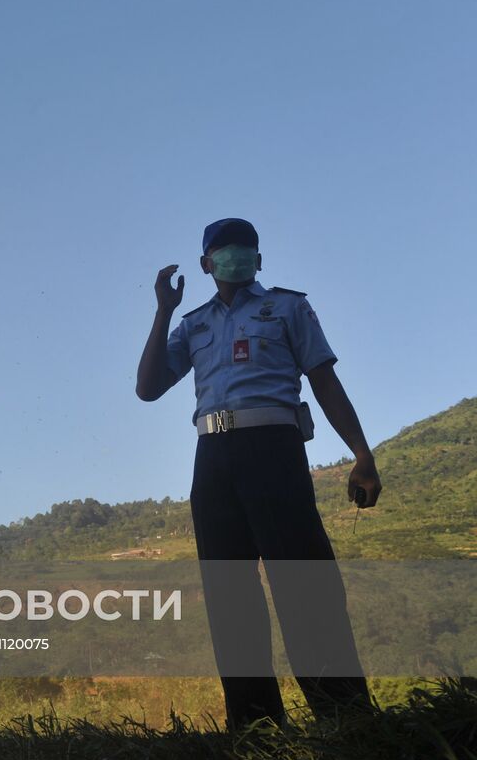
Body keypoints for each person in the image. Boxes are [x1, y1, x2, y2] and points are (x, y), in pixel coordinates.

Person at [136, 217, 380, 731]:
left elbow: (324, 381)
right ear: (206, 264)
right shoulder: (193, 323)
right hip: (212, 456)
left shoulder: (288, 307)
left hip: (273, 448)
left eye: (246, 248)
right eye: (224, 250)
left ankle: (347, 722)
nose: (236, 256)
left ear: (259, 259)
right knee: (229, 593)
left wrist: (362, 453)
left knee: (304, 583)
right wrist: (163, 312)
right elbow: (149, 387)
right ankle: (257, 730)